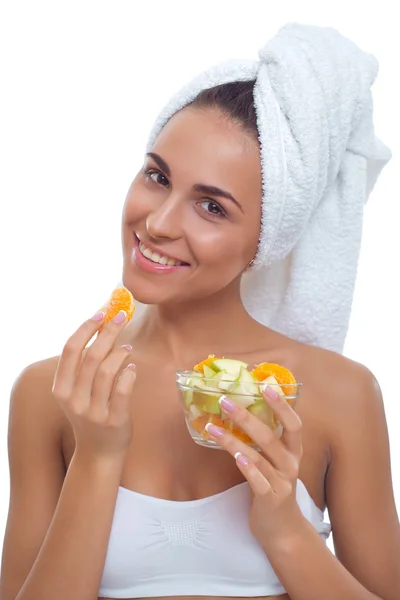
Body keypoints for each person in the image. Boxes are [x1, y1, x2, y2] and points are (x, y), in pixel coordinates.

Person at [1, 22, 399, 600]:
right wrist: (97, 456)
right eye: (157, 177)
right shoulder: (52, 392)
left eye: (211, 207)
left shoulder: (338, 395)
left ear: (268, 239)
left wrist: (285, 530)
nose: (158, 223)